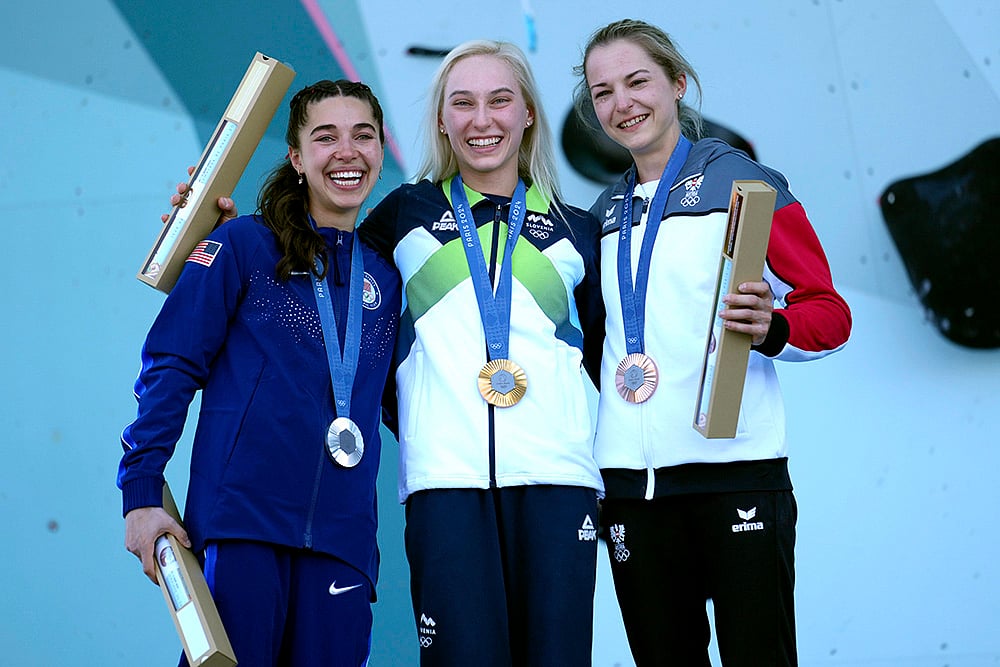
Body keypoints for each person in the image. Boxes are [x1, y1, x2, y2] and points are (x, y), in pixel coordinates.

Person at [573, 19, 853, 667]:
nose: (623, 103)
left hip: (736, 477)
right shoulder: (600, 216)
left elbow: (829, 312)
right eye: (603, 91)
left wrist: (774, 328)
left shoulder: (742, 184)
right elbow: (596, 346)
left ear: (677, 83)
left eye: (638, 81)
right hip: (632, 494)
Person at [118, 79, 401, 667]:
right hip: (240, 526)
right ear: (297, 158)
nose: (346, 151)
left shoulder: (387, 276)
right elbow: (171, 364)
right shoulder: (244, 244)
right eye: (326, 138)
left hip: (343, 544)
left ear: (381, 149)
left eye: (363, 136)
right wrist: (141, 493)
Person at [359, 40, 606, 666]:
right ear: (442, 119)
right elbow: (323, 289)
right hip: (446, 483)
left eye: (500, 101)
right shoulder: (402, 216)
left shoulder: (580, 230)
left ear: (527, 113)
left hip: (558, 481)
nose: (482, 120)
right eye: (461, 104)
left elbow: (607, 355)